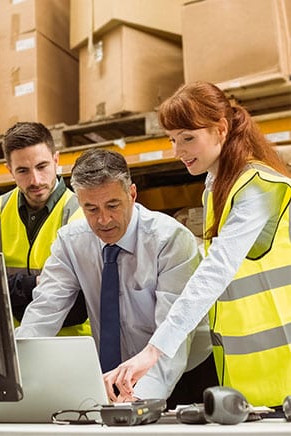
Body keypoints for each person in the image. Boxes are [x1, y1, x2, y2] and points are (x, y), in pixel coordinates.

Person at [114, 81, 291, 408]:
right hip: (252, 380)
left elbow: (215, 272)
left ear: (220, 129)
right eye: (172, 139)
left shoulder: (258, 188)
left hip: (284, 372)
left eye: (188, 138)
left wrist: (155, 350)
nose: (177, 151)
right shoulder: (217, 187)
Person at [16, 148, 217, 405]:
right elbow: (43, 312)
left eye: (113, 205)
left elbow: (172, 338)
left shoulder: (170, 240)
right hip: (111, 377)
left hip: (182, 374)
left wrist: (138, 400)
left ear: (132, 194)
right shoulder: (71, 241)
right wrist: (10, 377)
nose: (104, 219)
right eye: (91, 208)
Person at [0, 122, 90, 336]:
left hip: (74, 344)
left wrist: (10, 287)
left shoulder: (85, 214)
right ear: (9, 170)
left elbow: (80, 298)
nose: (35, 180)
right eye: (23, 171)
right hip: (13, 346)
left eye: (42, 166)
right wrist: (35, 283)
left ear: (56, 160)